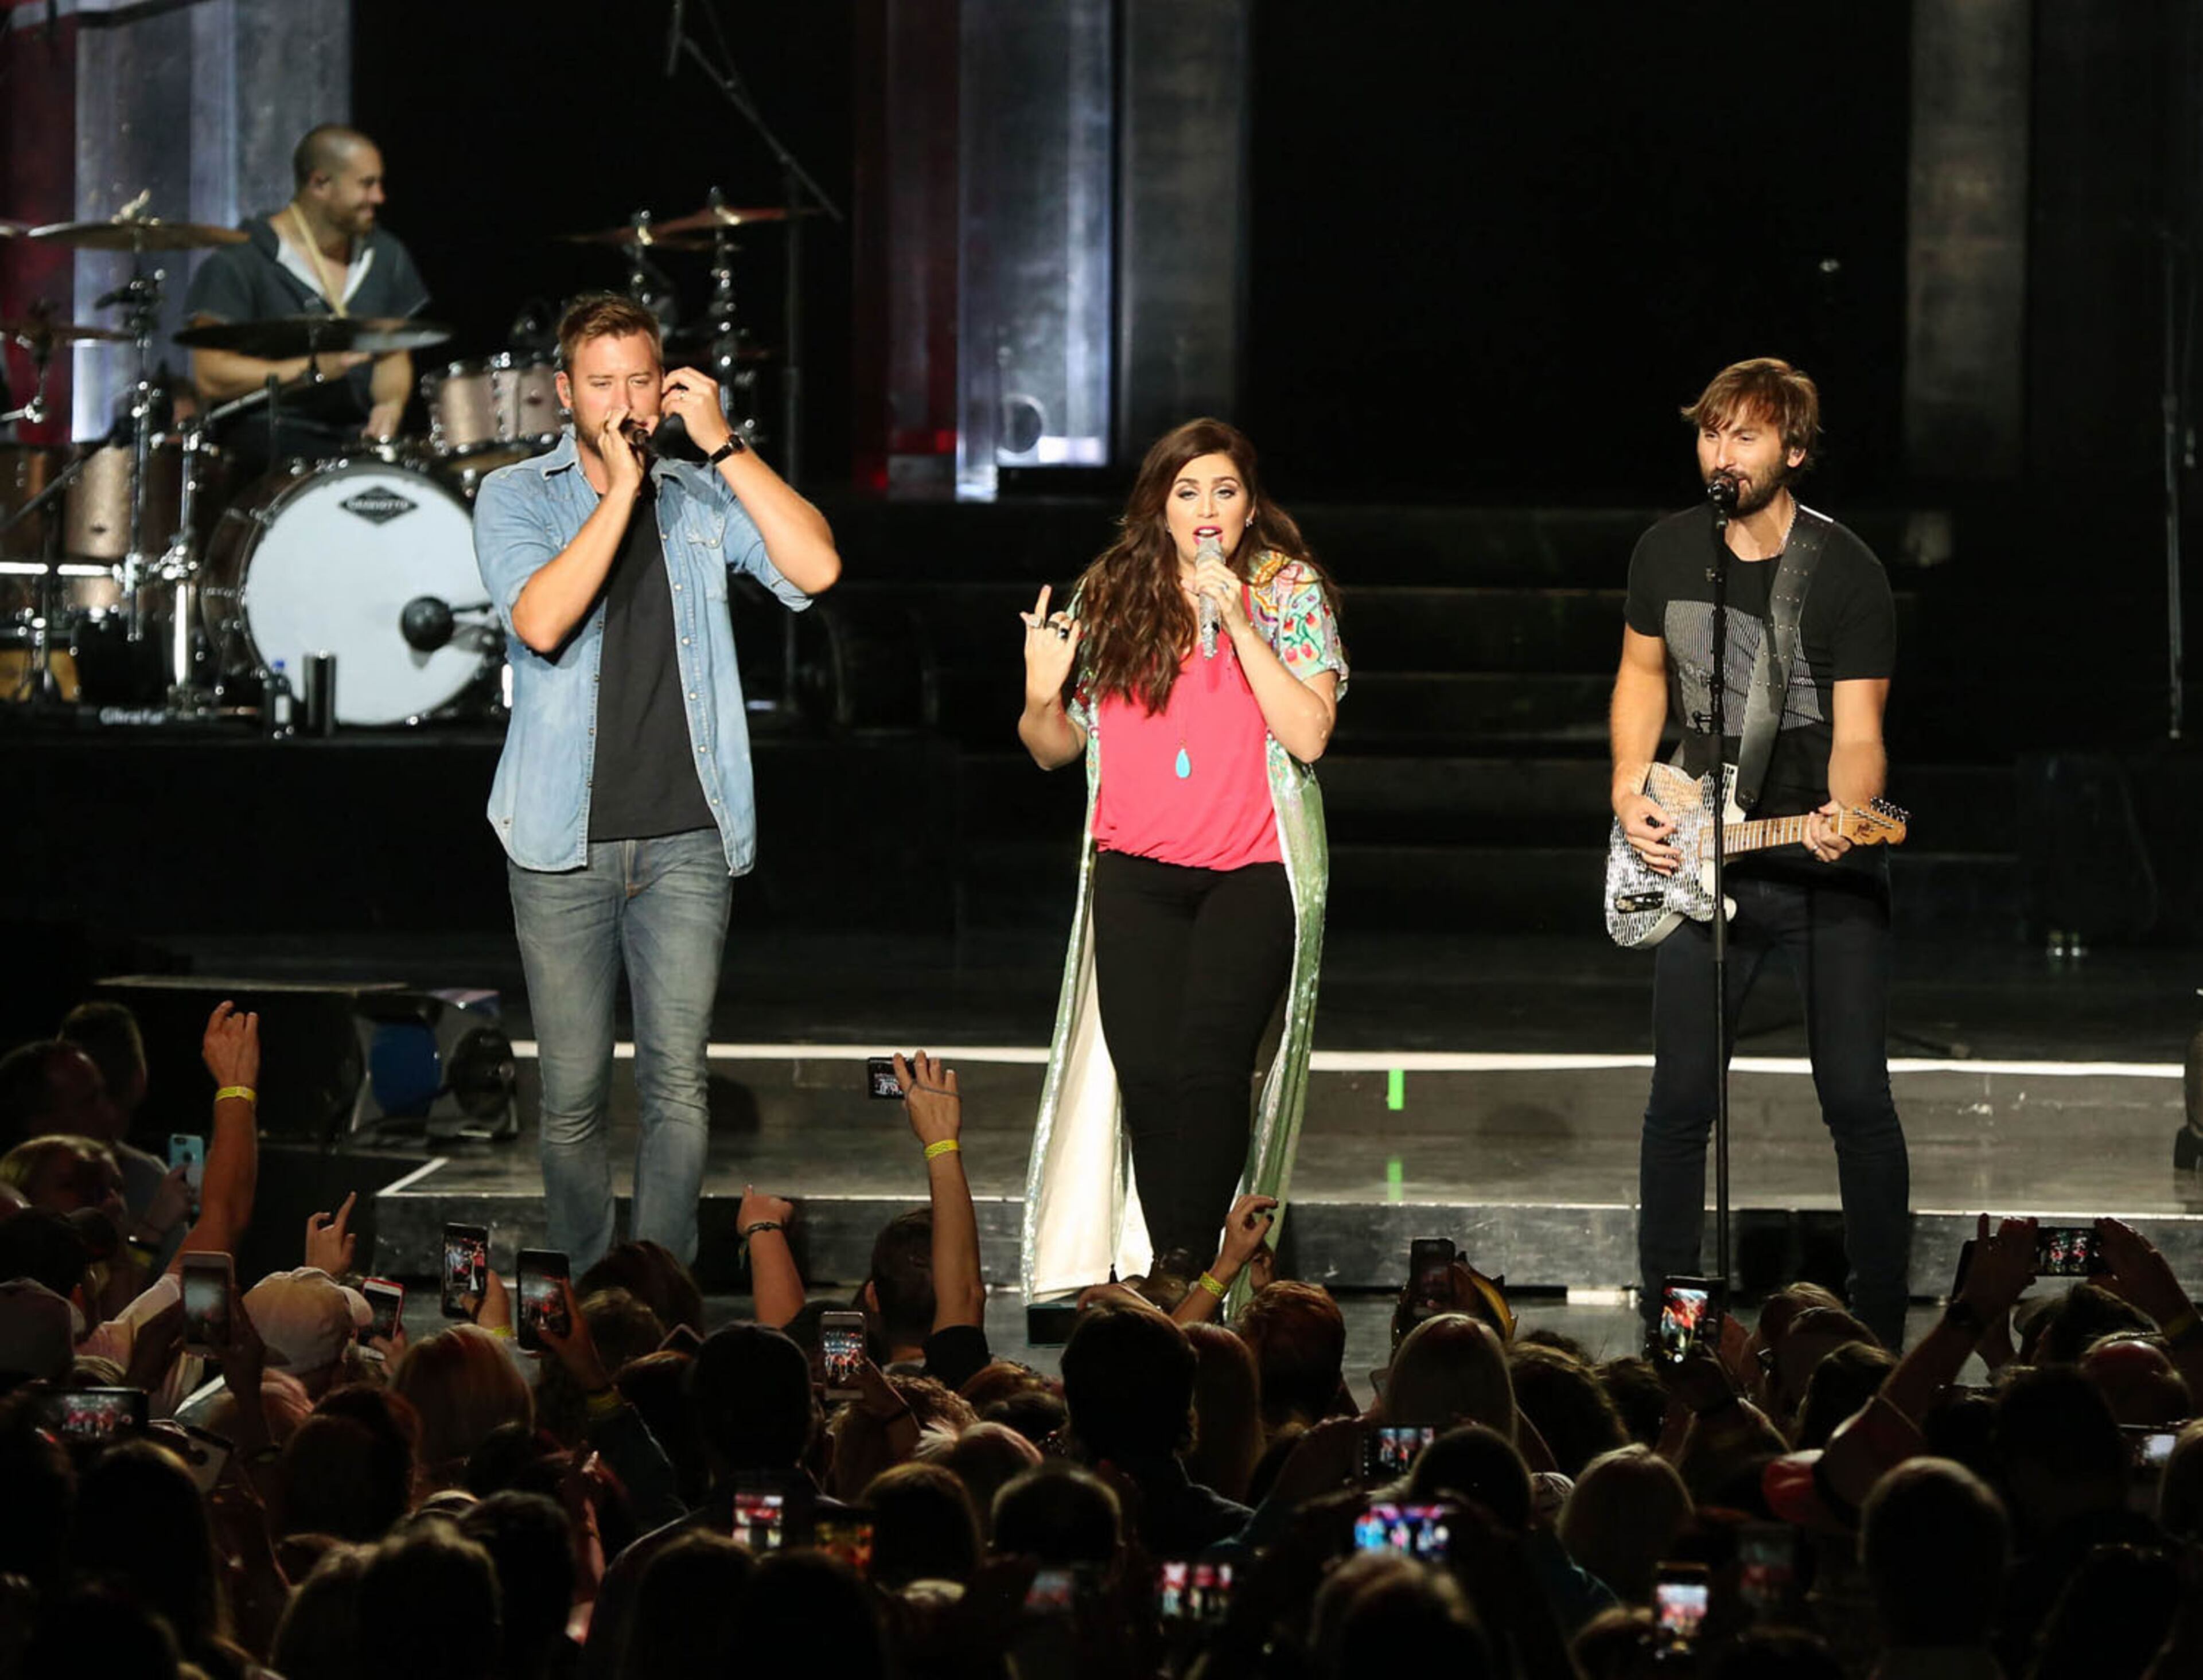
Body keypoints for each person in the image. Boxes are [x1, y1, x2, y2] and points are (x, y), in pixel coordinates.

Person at [474, 293, 841, 1271]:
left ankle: (662, 1299)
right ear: (565, 392)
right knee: (574, 1096)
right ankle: (592, 1298)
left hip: (688, 833)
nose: (623, 400)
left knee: (678, 1086)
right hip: (563, 839)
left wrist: (723, 447)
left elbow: (816, 566)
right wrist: (621, 495)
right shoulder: (516, 495)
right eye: (601, 383)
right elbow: (543, 620)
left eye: (642, 379)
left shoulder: (701, 491)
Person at [1609, 357, 1909, 1348]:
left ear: (1795, 450)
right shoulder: (1664, 554)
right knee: (1680, 1101)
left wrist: (1846, 806)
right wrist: (1627, 783)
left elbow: (1862, 727)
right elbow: (1640, 674)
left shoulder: (1848, 571)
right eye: (1711, 432)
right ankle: (1676, 1325)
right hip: (1707, 859)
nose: (1722, 452)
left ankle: (1872, 1330)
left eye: (1744, 434)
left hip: (1824, 867)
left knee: (1857, 1098)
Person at [1019, 416, 1346, 1293]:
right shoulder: (1111, 589)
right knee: (1149, 1073)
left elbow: (1310, 735)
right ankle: (1179, 1266)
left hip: (1251, 870)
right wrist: (1038, 697)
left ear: (1249, 507)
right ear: (1159, 505)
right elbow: (1053, 749)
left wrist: (1240, 624)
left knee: (1211, 1065)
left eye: (1225, 491)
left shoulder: (1286, 589)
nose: (1207, 509)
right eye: (1187, 491)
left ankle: (1184, 1267)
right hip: (1136, 871)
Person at [182, 123, 429, 471]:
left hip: (356, 443)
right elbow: (210, 375)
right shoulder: (241, 260)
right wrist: (309, 370)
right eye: (366, 184)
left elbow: (393, 353)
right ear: (320, 183)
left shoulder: (385, 256)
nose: (379, 197)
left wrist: (389, 404)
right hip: (269, 448)